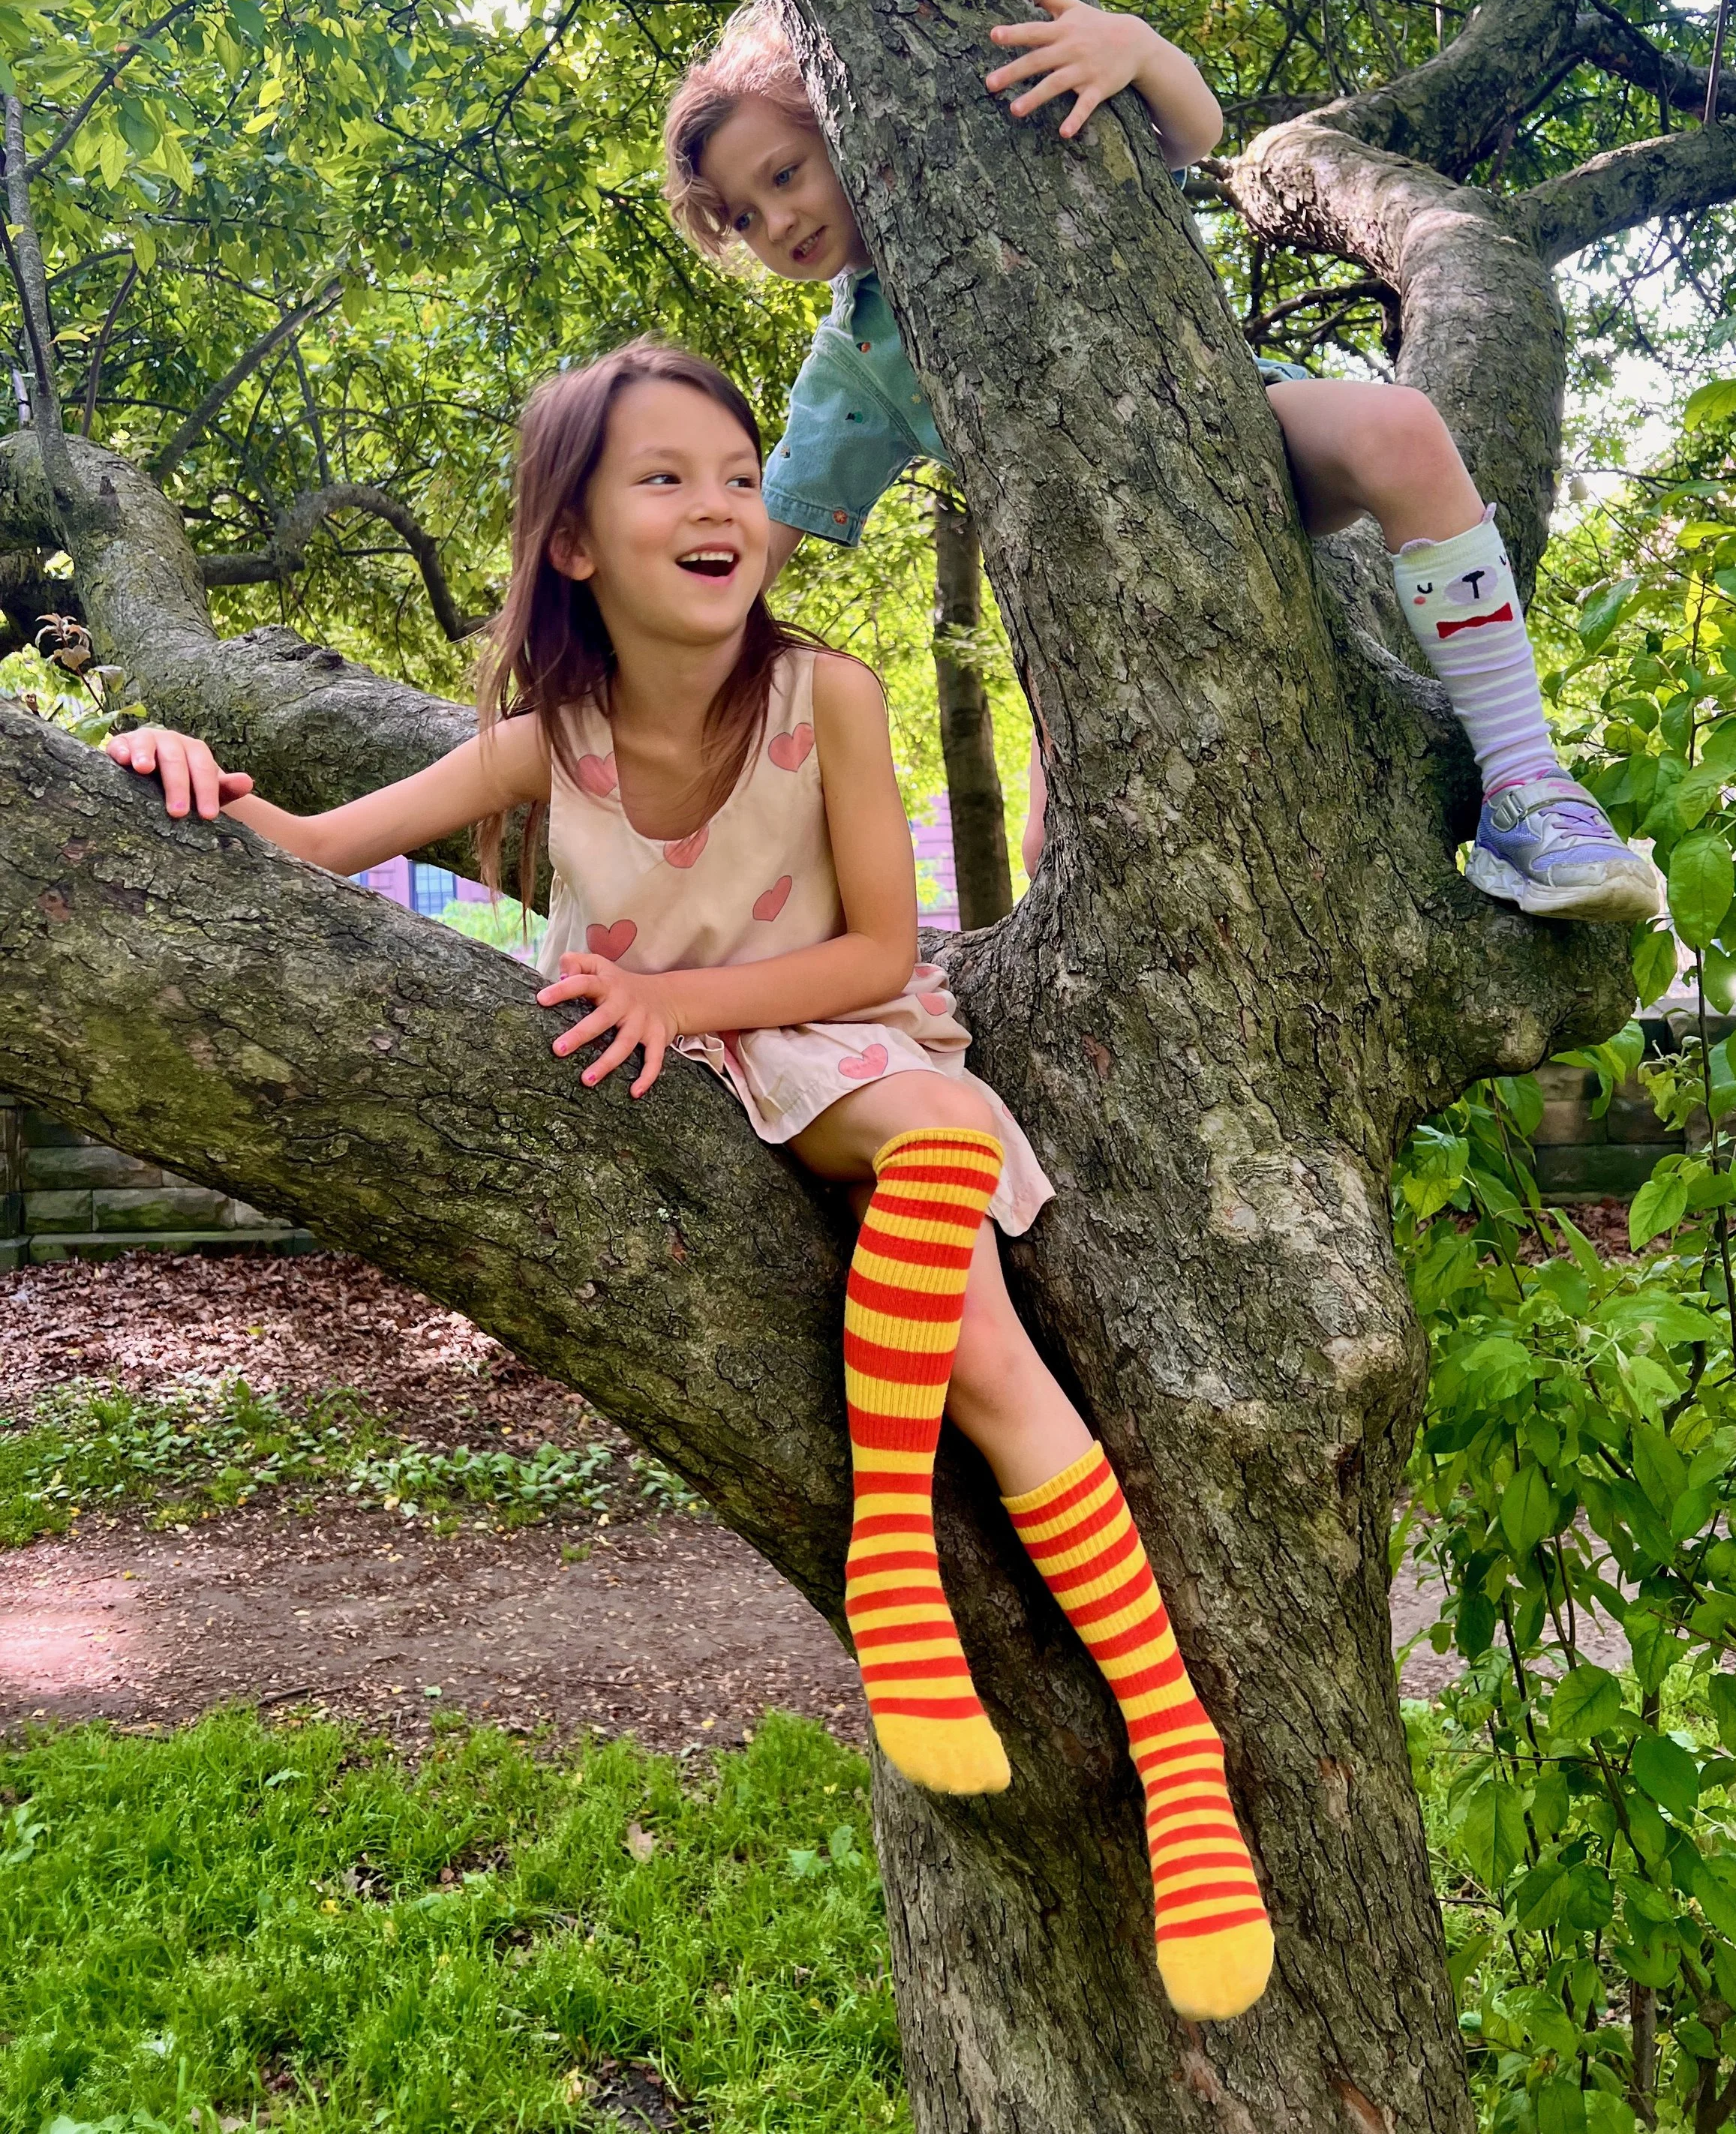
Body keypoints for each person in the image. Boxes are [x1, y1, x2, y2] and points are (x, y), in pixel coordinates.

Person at [107, 338, 1274, 2024]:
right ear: (576, 541)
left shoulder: (829, 697)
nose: (719, 503)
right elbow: (309, 844)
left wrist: (676, 994)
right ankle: (1148, 1742)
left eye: (738, 473)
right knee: (990, 1367)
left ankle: (1136, 1738)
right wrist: (173, 758)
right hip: (681, 1098)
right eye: (663, 478)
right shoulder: (547, 741)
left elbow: (879, 954)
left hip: (837, 1049)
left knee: (968, 1224)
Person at [661, 0, 1663, 924]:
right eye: (745, 216)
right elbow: (775, 519)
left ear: (842, 123)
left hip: (1235, 431)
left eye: (786, 174)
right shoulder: (858, 358)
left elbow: (1192, 132)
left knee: (1399, 429)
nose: (777, 221)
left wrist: (1131, 47)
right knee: (1054, 842)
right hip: (1085, 580)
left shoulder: (997, 154)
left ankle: (1526, 783)